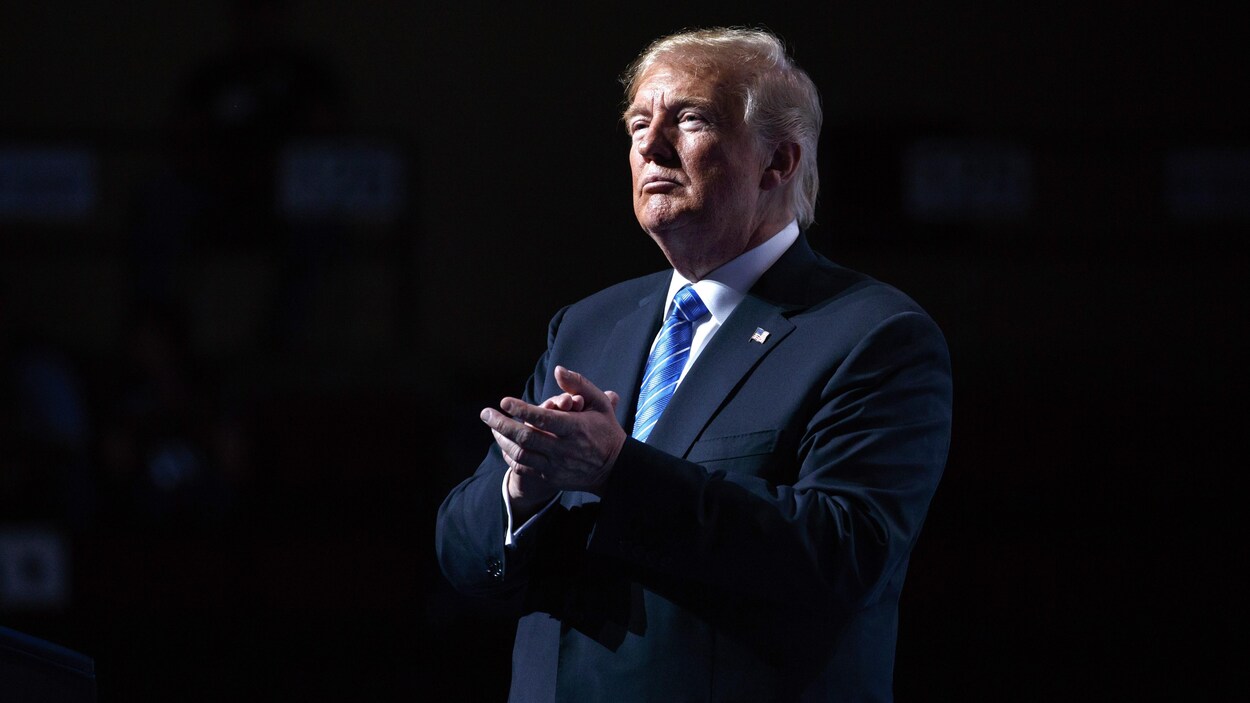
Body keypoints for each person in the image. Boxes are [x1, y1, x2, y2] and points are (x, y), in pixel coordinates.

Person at [436, 27, 952, 702]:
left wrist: (617, 470)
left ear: (779, 162)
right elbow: (461, 552)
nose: (650, 146)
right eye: (638, 124)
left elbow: (842, 553)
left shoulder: (873, 335)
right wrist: (521, 495)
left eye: (690, 119)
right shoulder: (588, 324)